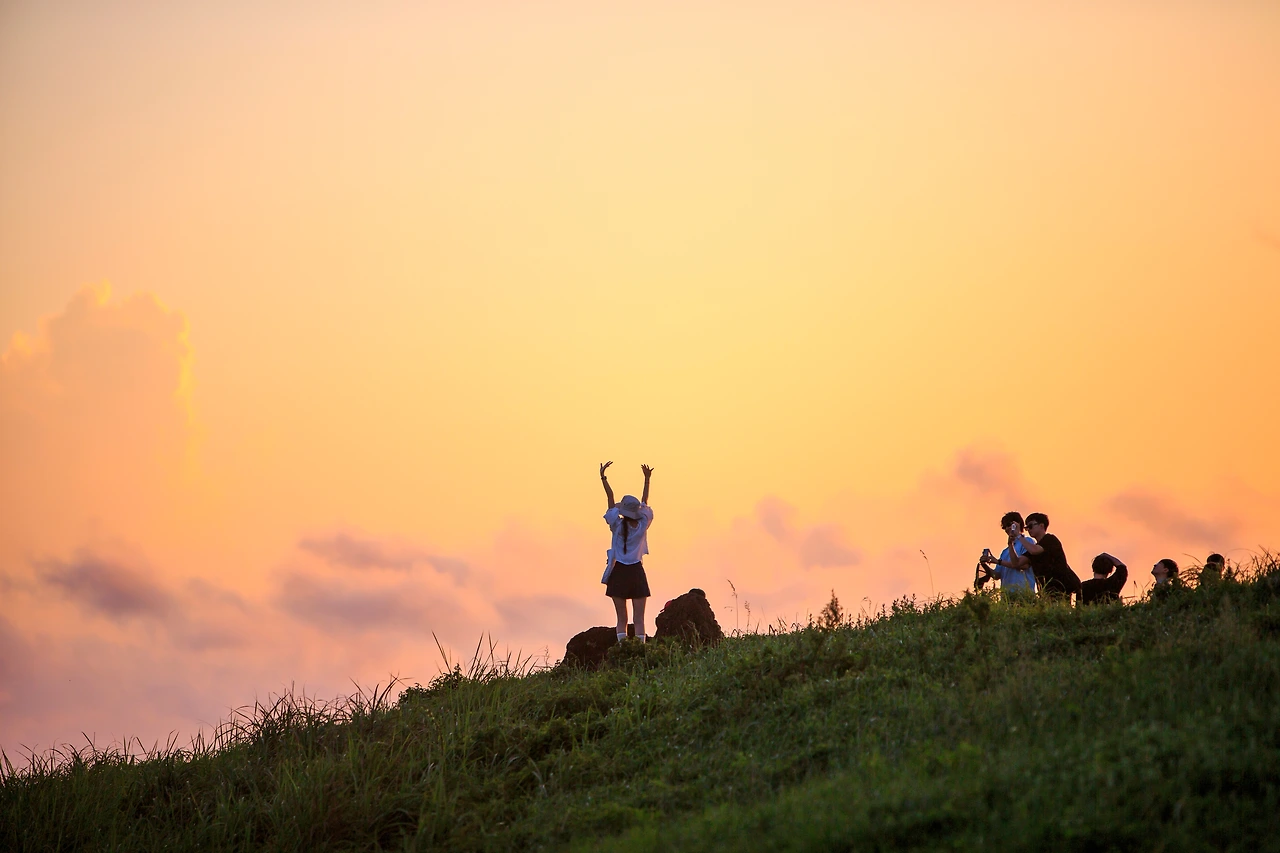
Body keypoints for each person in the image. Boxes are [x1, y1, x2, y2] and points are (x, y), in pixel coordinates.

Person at [600, 461, 655, 643]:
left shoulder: (616, 525)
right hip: (636, 572)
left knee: (621, 619)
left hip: (619, 572)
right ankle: (641, 650)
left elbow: (610, 502)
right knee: (638, 619)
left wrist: (603, 477)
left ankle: (622, 651)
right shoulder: (642, 526)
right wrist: (647, 480)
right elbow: (645, 504)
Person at [1020, 513, 1081, 599]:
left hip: (1061, 587)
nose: (1028, 530)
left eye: (1030, 526)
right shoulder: (1033, 548)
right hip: (1047, 591)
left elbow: (1034, 550)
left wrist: (1019, 536)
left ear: (1041, 525)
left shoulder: (1050, 539)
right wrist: (1010, 544)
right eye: (1027, 528)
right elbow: (1017, 563)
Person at [979, 511, 1037, 595]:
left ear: (1018, 524)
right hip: (1007, 597)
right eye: (1004, 527)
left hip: (1023, 594)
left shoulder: (1027, 542)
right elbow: (997, 575)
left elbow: (1023, 565)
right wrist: (985, 565)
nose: (1007, 529)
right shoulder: (1005, 552)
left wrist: (998, 561)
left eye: (1009, 525)